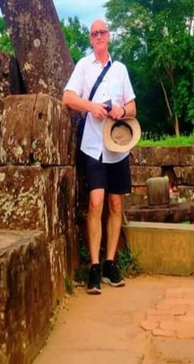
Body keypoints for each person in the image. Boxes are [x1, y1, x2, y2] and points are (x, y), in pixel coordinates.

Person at [63, 18, 136, 295]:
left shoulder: (120, 70)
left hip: (117, 146)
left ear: (109, 36)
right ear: (91, 39)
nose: (99, 37)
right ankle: (94, 265)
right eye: (94, 33)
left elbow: (133, 106)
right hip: (93, 145)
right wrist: (91, 106)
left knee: (116, 204)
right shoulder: (83, 67)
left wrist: (121, 111)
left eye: (103, 32)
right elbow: (67, 98)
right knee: (96, 203)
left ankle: (109, 262)